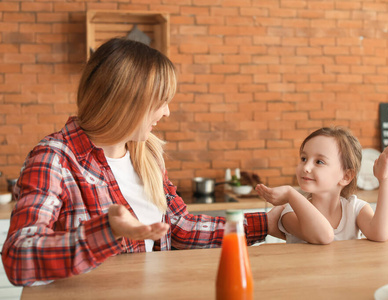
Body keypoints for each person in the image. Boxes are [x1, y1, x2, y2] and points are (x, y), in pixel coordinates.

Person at [1, 38, 283, 287]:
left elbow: (179, 227)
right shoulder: (54, 159)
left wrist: (267, 223)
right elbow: (18, 256)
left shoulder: (146, 154)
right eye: (160, 101)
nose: (167, 112)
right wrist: (105, 232)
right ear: (126, 101)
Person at [255, 127, 388, 245]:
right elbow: (323, 236)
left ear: (346, 176)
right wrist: (290, 194)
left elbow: (380, 233)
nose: (306, 167)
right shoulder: (291, 211)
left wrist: (385, 179)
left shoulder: (355, 209)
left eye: (319, 162)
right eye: (304, 158)